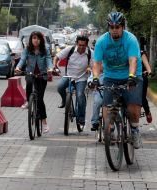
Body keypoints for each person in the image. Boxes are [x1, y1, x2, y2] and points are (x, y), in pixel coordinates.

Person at [91, 12, 143, 149]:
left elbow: (133, 60)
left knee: (133, 107)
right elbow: (96, 63)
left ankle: (134, 130)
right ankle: (111, 132)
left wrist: (131, 77)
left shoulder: (130, 39)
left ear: (122, 27)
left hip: (131, 75)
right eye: (112, 27)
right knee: (107, 107)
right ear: (108, 27)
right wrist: (96, 78)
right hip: (111, 76)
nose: (114, 30)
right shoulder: (102, 41)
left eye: (117, 27)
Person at [15, 31, 53, 133]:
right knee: (29, 82)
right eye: (34, 38)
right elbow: (22, 60)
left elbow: (49, 60)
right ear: (31, 39)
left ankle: (44, 122)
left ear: (41, 40)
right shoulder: (27, 49)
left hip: (42, 75)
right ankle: (28, 101)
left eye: (38, 38)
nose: (36, 40)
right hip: (30, 73)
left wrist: (50, 68)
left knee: (40, 99)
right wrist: (18, 67)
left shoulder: (45, 49)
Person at [53, 35, 92, 129]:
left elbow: (94, 65)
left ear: (87, 45)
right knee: (60, 87)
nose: (81, 47)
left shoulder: (90, 53)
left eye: (84, 45)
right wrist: (55, 66)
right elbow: (57, 57)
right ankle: (64, 101)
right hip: (69, 76)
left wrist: (89, 68)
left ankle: (81, 118)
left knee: (79, 95)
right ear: (76, 44)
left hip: (81, 78)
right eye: (80, 45)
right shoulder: (70, 50)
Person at [141, 50, 152, 123]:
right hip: (128, 77)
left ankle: (147, 112)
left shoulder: (141, 53)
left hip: (142, 76)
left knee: (142, 97)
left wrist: (148, 71)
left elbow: (147, 65)